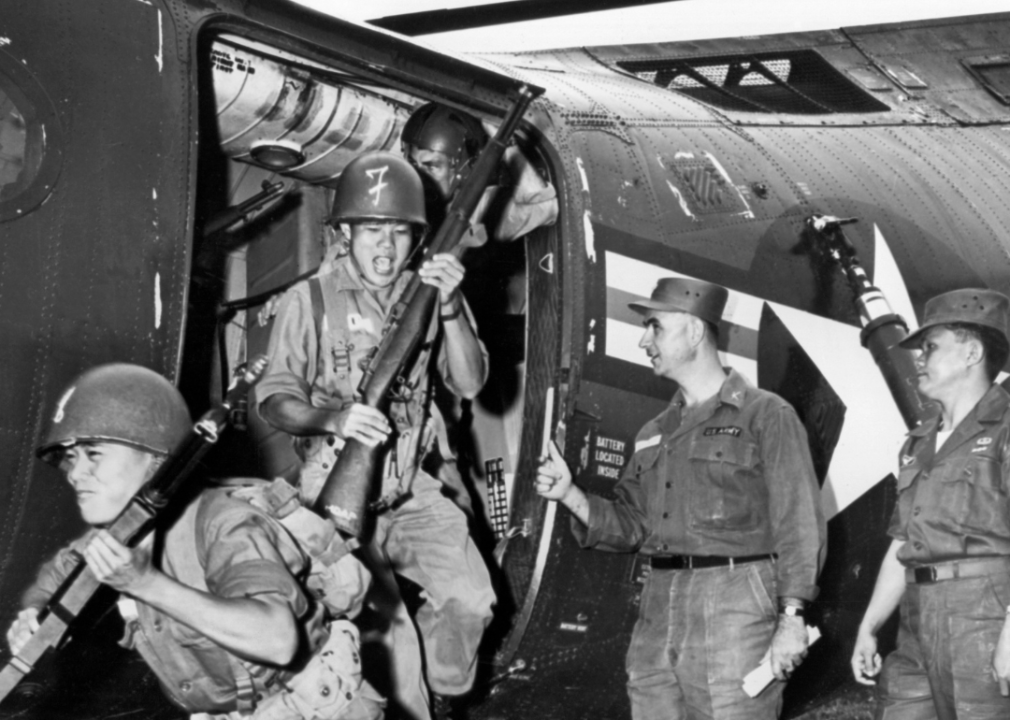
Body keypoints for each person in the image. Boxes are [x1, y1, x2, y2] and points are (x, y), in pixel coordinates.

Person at [255, 150, 495, 720]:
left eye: (397, 232)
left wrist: (454, 307)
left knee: (471, 600)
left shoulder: (431, 294)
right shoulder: (307, 300)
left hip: (412, 487)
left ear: (416, 239)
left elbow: (471, 382)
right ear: (344, 235)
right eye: (370, 232)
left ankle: (448, 693)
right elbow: (274, 399)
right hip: (331, 493)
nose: (384, 248)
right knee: (388, 652)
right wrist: (332, 419)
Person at [6, 363, 382, 720]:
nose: (76, 474)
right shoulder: (111, 541)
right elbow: (51, 585)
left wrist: (145, 583)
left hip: (316, 707)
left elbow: (277, 639)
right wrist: (34, 616)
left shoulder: (225, 522)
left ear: (155, 460)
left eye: (94, 455)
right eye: (70, 459)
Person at [536, 277, 826, 720]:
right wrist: (570, 494)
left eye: (655, 327)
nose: (642, 340)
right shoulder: (654, 433)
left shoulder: (765, 414)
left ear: (694, 331)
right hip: (659, 602)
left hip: (736, 603)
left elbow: (799, 523)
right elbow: (633, 525)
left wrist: (792, 617)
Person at [851, 288, 1010, 719]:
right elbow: (903, 542)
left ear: (972, 352)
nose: (919, 358)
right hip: (916, 621)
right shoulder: (919, 440)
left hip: (986, 615)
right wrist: (869, 626)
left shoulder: (1005, 427)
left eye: (931, 347)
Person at [400, 102, 558, 246]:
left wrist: (507, 145)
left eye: (432, 166)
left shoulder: (478, 208)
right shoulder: (391, 195)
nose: (417, 176)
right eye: (413, 163)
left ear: (462, 168)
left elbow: (543, 204)